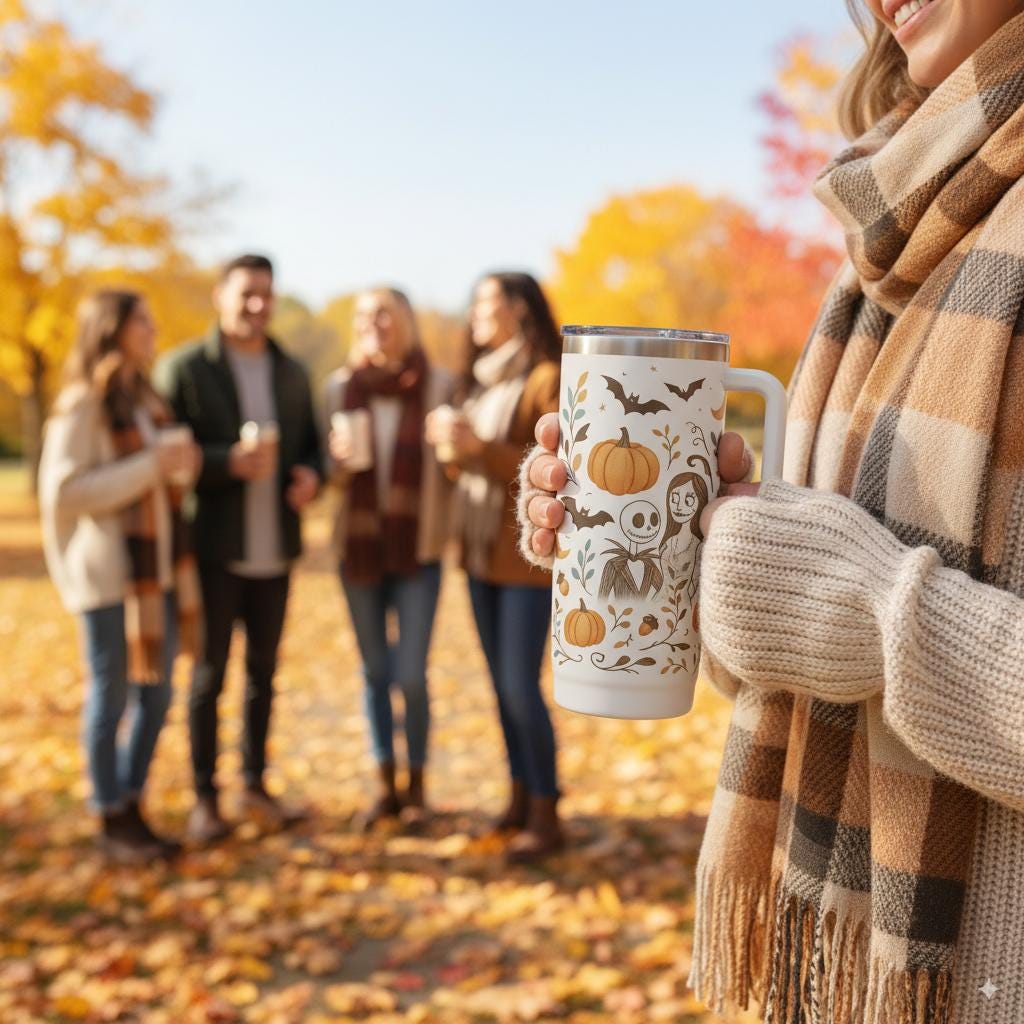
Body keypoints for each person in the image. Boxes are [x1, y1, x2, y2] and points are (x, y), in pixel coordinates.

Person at [520, 3, 1024, 1022]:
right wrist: (697, 556)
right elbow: (827, 601)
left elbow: (866, 603)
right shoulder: (885, 240)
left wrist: (876, 613)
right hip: (848, 976)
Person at [154, 254, 322, 843]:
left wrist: (310, 477)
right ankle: (206, 798)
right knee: (207, 676)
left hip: (276, 552)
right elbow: (166, 455)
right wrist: (229, 463)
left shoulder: (292, 371)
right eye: (247, 293)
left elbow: (313, 449)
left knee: (263, 675)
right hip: (212, 551)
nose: (258, 305)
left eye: (267, 295)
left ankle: (254, 786)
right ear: (220, 296)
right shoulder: (184, 368)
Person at [39, 289, 202, 861]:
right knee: (110, 699)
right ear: (111, 329)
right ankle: (110, 817)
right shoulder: (84, 402)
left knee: (155, 698)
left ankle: (132, 803)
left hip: (154, 574)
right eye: (142, 321)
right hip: (107, 576)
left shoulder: (145, 398)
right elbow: (62, 490)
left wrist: (179, 470)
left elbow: (155, 481)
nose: (154, 329)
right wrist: (148, 466)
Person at [425, 272, 563, 861]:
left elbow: (555, 466)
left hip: (526, 560)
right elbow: (473, 472)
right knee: (500, 689)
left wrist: (479, 450)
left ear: (518, 310)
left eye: (485, 301)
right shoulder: (477, 384)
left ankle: (547, 810)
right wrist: (452, 452)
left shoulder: (546, 378)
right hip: (480, 554)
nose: (474, 312)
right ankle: (518, 795)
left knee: (519, 686)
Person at [324, 288, 453, 828]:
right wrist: (331, 462)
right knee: (374, 671)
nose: (371, 323)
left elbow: (453, 468)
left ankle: (418, 786)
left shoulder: (440, 384)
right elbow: (331, 475)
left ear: (406, 321)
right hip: (358, 550)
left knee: (411, 674)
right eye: (361, 315)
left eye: (382, 313)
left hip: (418, 550)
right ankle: (384, 786)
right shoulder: (338, 387)